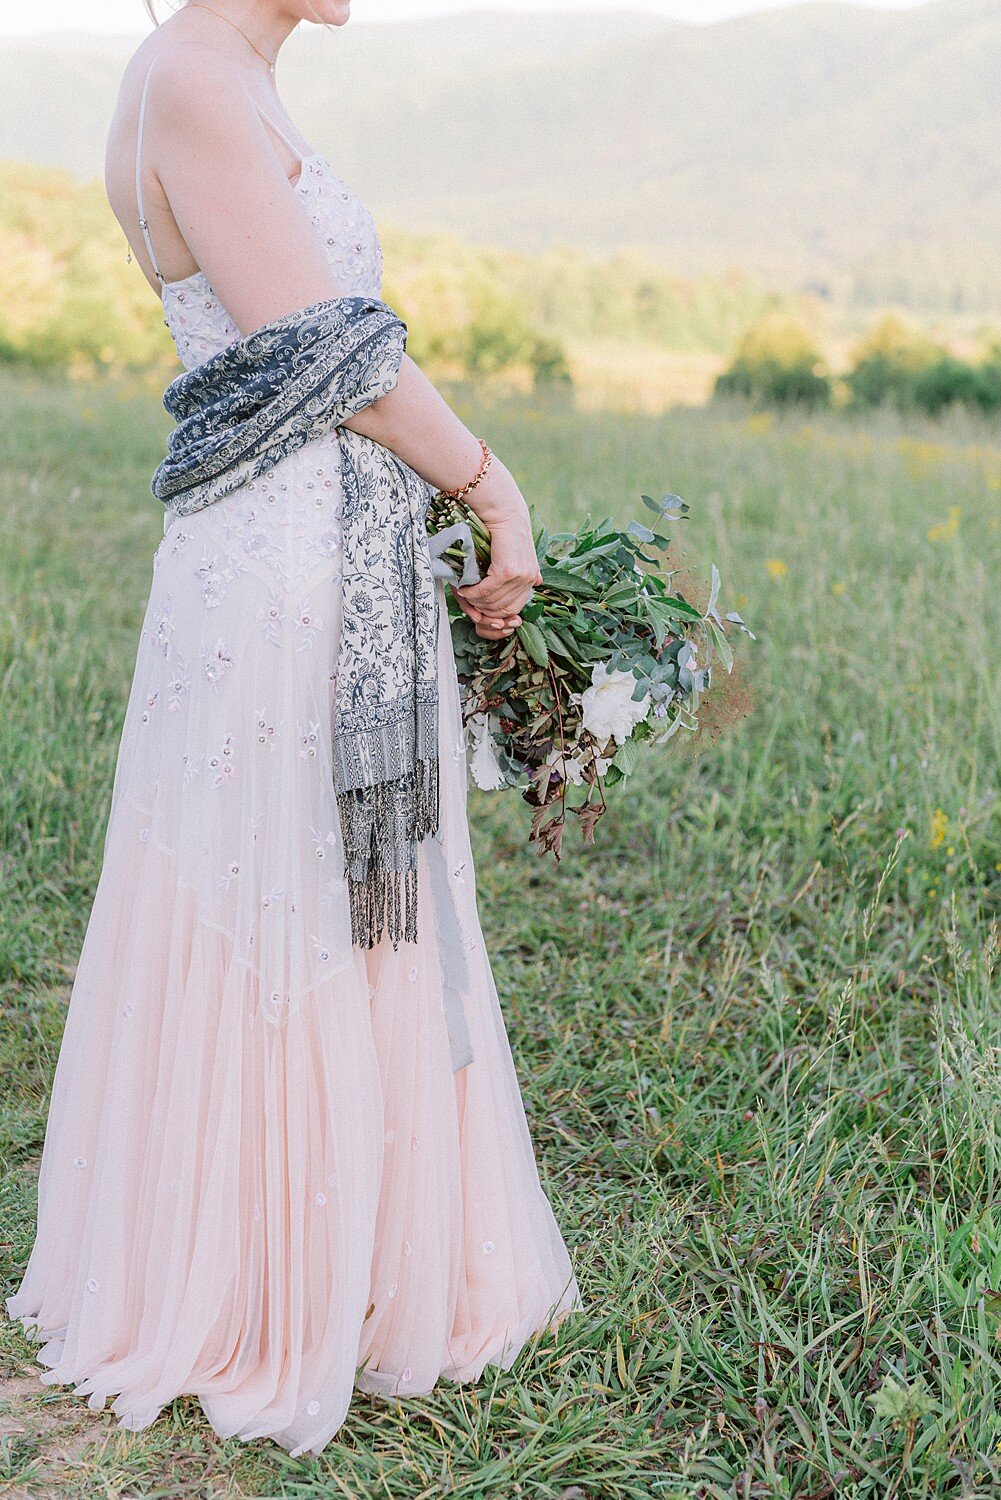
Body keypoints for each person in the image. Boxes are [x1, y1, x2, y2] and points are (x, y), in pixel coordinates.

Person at [5, 0, 583, 1457]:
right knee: (287, 894)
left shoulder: (234, 77)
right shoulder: (195, 79)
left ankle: (365, 1246)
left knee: (328, 888)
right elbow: (334, 356)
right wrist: (488, 485)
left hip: (315, 547)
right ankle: (263, 1280)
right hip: (280, 569)